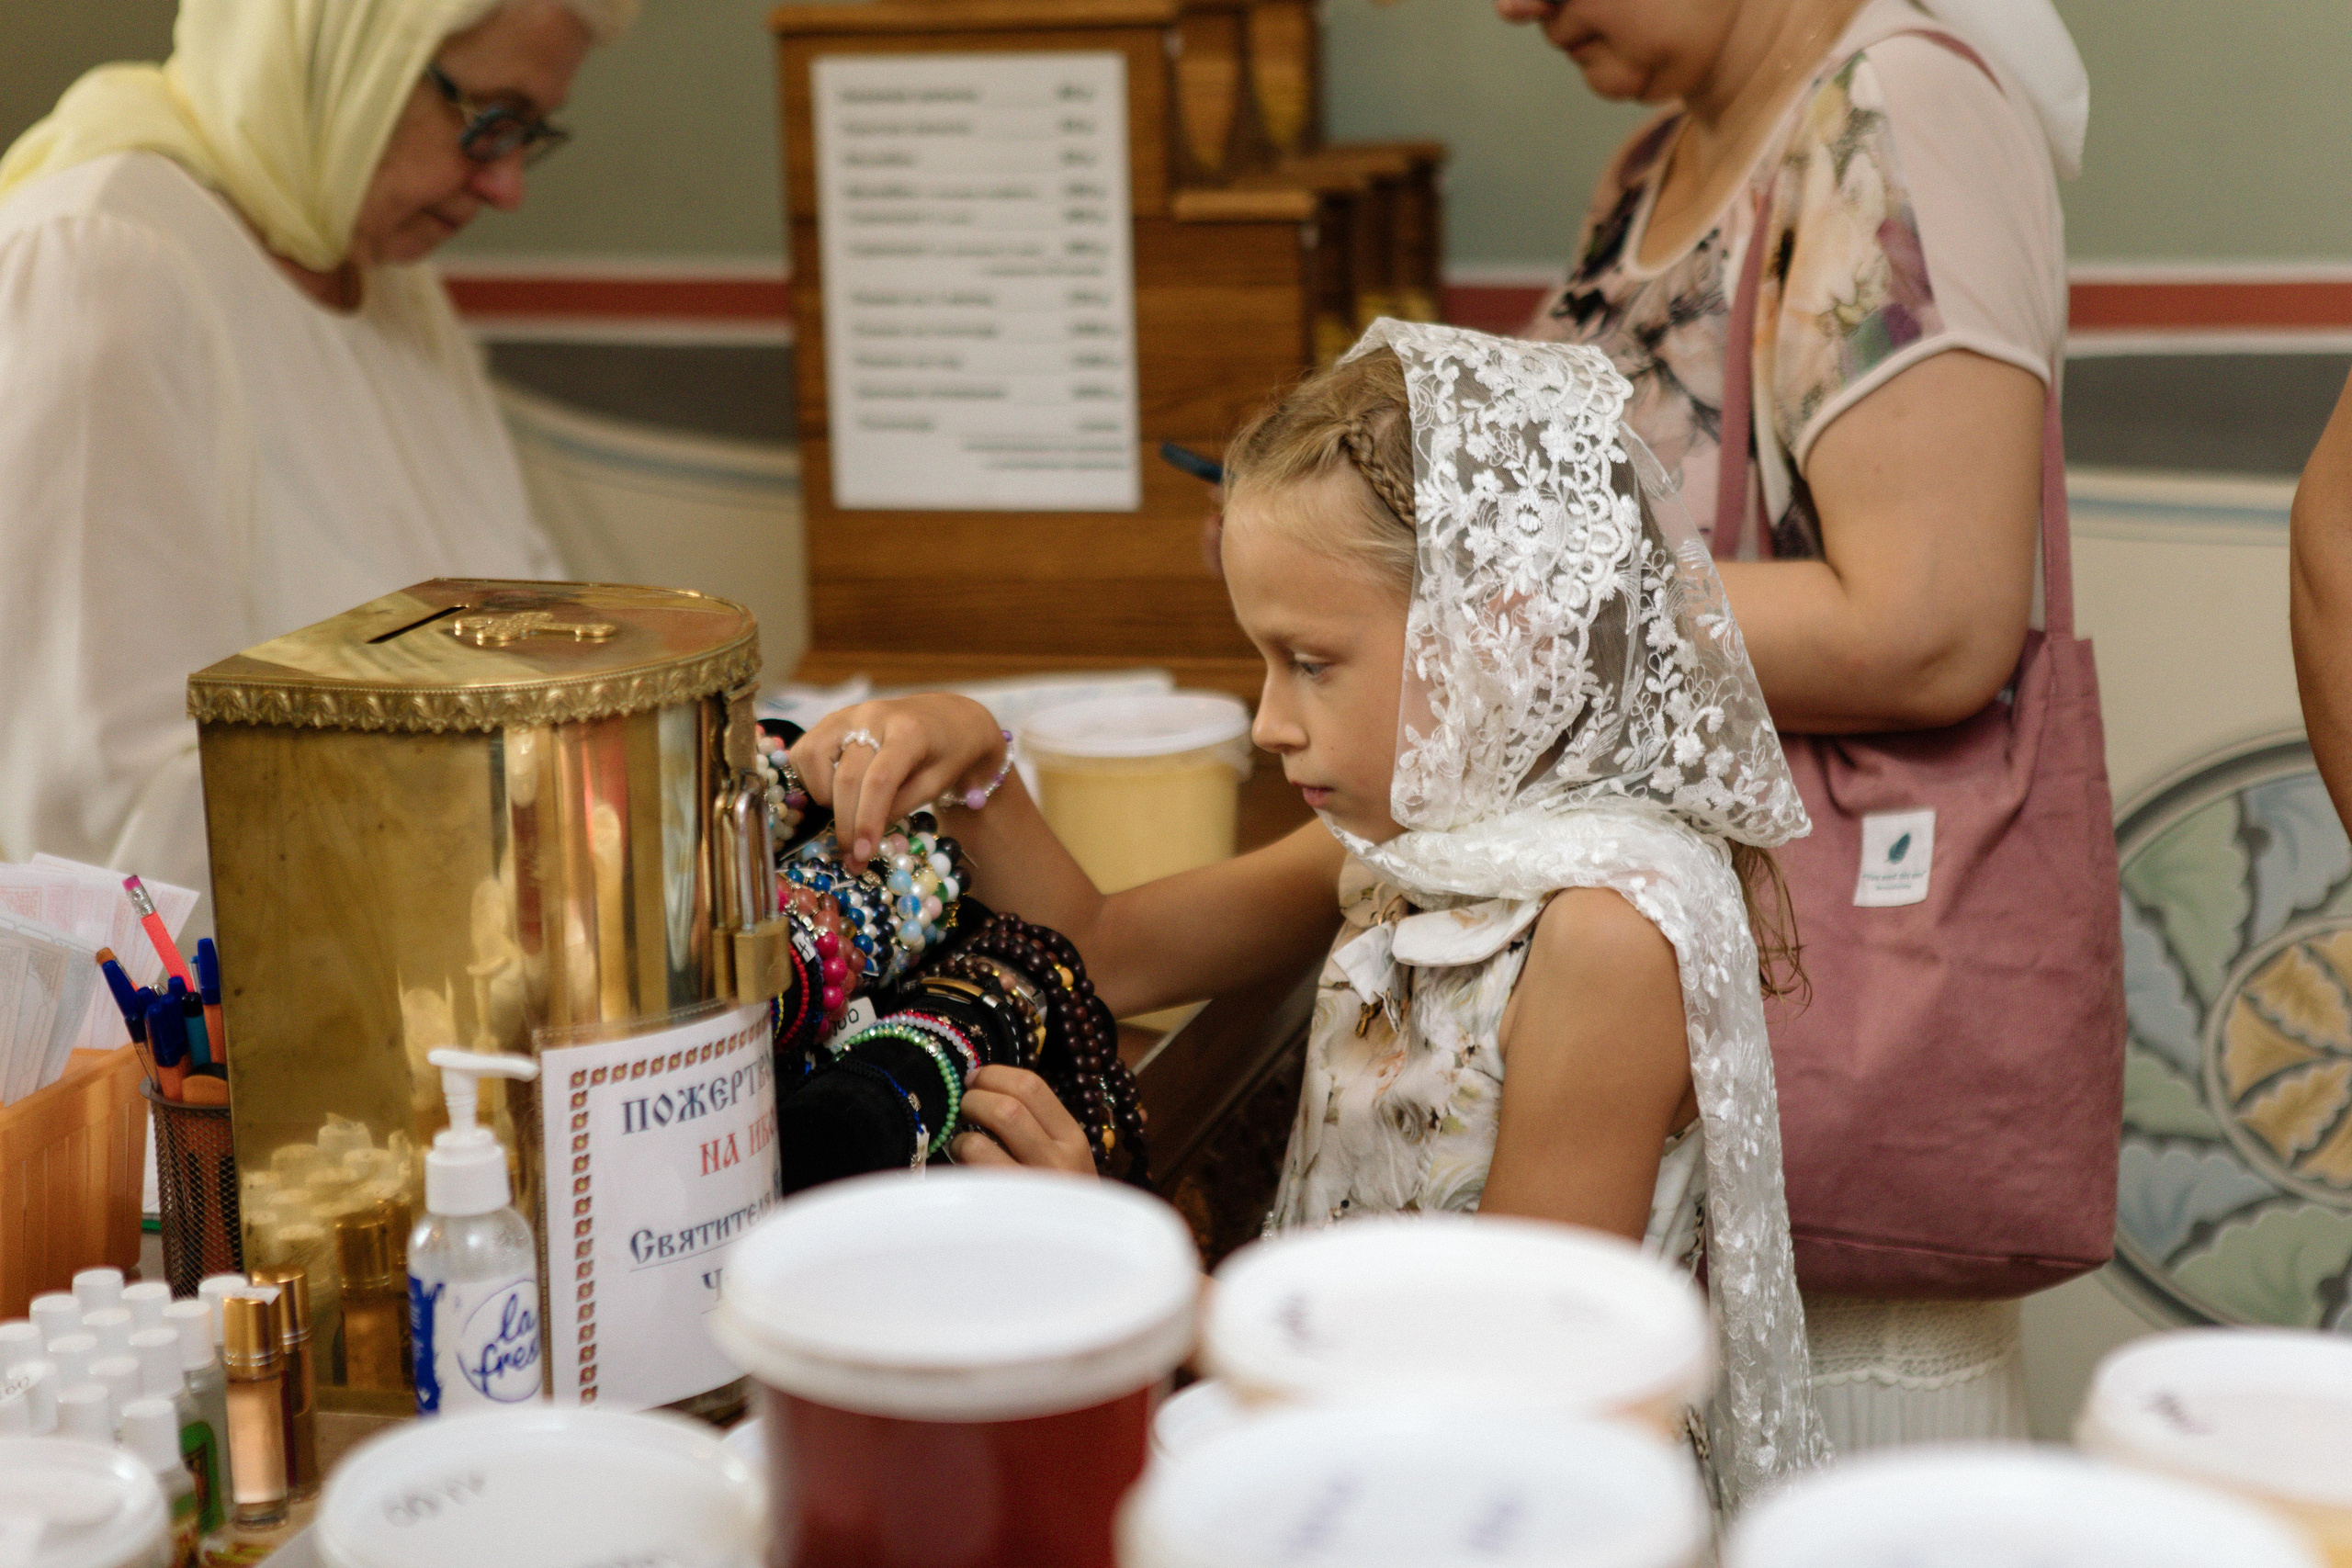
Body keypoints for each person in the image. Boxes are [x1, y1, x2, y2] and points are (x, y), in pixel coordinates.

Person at [791, 323, 1828, 1512]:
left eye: (1310, 661)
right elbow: (1109, 949)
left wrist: (1134, 1281)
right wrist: (973, 758)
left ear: (1500, 632)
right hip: (1334, 1463)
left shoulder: (1604, 934)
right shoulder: (1410, 848)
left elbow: (1518, 1388)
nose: (1269, 720)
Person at [1498, 0, 2087, 1451]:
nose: (1512, 6)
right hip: (1645, 1060)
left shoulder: (1897, 108)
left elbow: (1930, 621)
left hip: (1820, 1088)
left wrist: (1489, 612)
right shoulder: (1648, 166)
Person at [0, 0, 632, 916]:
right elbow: (115, 837)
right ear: (345, 46)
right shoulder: (101, 263)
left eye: (528, 133)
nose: (505, 188)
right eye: (488, 120)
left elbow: (536, 628)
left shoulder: (383, 278)